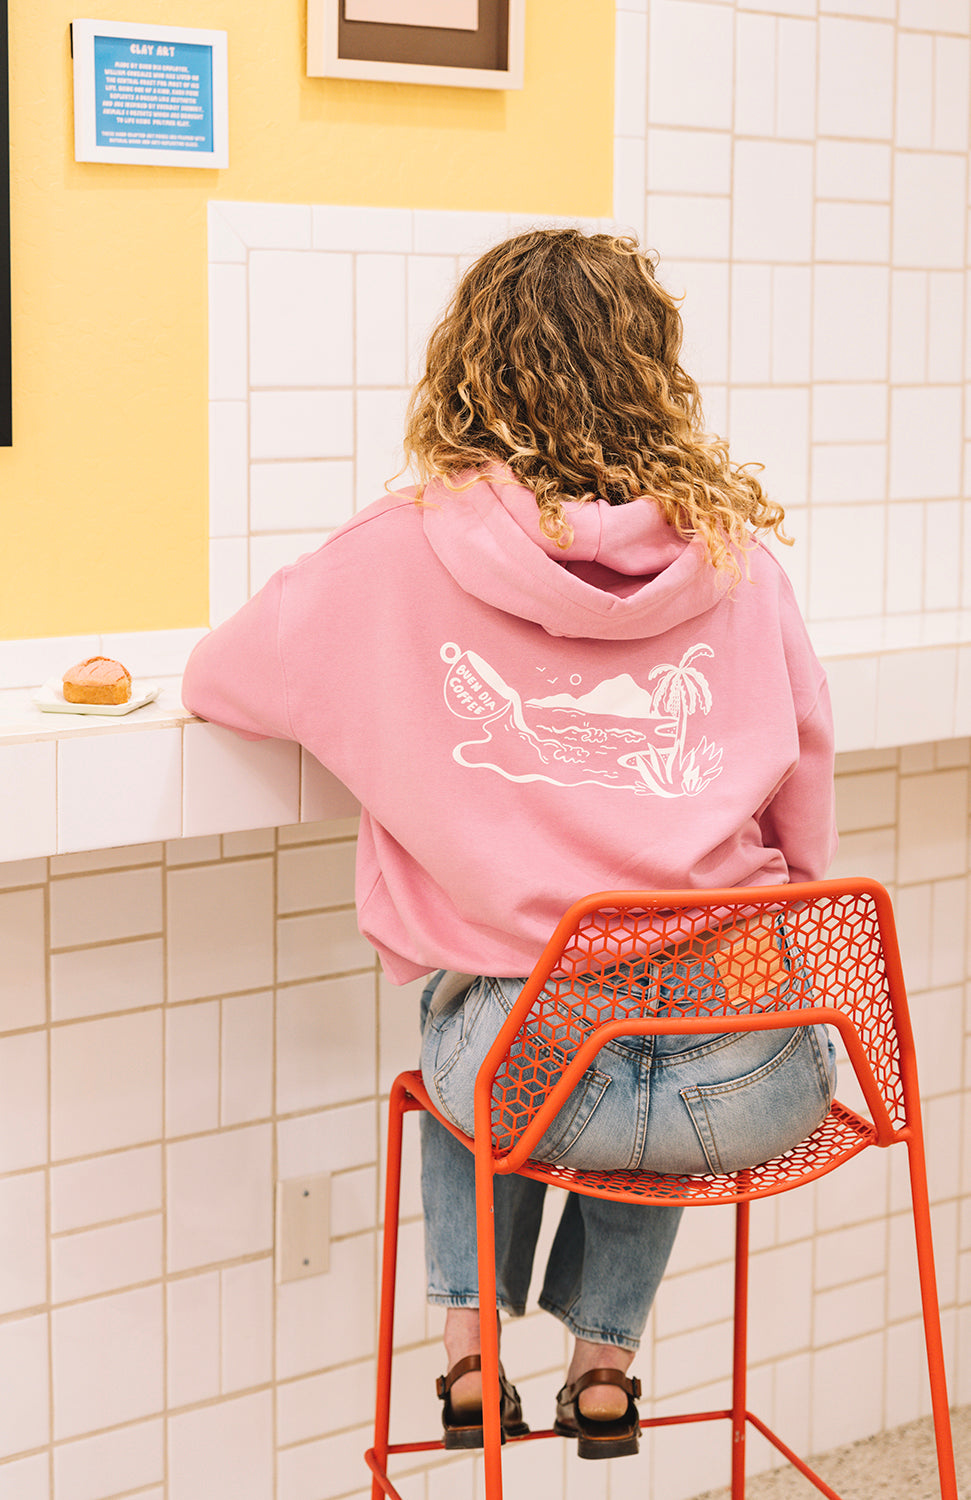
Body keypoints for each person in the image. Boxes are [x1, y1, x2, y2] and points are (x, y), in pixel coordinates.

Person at [181, 228, 838, 1462]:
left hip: (525, 1077)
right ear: (653, 370)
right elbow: (804, 783)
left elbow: (221, 678)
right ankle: (604, 1368)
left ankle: (471, 1353)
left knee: (493, 1020)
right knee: (666, 993)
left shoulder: (399, 549)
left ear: (467, 369)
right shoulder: (734, 558)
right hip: (755, 1087)